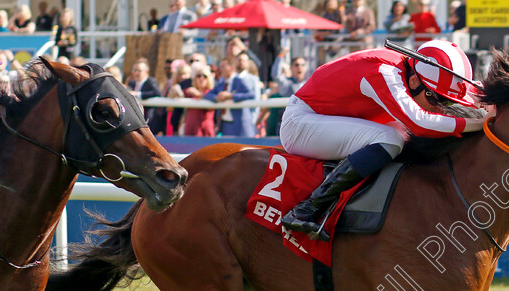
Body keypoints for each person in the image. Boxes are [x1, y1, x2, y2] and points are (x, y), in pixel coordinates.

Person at [279, 40, 490, 240]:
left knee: (401, 136)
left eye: (447, 101)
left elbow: (475, 92)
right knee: (391, 138)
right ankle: (306, 209)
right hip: (301, 123)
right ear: (415, 81)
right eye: (436, 98)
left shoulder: (416, 73)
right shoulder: (384, 71)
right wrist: (480, 123)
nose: (439, 107)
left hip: (331, 118)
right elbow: (420, 122)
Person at [205, 57, 256, 137]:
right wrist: (216, 98)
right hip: (225, 124)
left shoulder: (239, 80)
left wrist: (231, 96)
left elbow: (251, 94)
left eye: (223, 66)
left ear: (232, 67)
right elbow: (208, 95)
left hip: (240, 125)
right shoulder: (221, 84)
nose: (220, 69)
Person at [126, 58, 162, 127]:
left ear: (147, 71)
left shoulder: (151, 81)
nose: (136, 73)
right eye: (135, 70)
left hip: (149, 118)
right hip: (134, 120)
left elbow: (157, 93)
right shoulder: (132, 83)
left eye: (139, 71)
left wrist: (138, 94)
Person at [183, 67, 216, 136]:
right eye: (198, 76)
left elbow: (213, 102)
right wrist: (175, 89)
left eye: (204, 76)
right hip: (190, 129)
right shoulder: (190, 92)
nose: (201, 78)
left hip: (205, 130)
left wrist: (199, 95)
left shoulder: (212, 92)